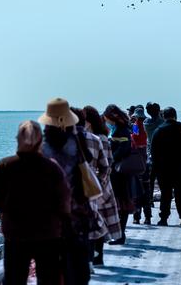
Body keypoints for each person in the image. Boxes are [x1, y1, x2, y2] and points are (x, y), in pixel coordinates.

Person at [0, 120, 71, 285]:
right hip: (48, 232)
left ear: (18, 139)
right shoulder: (52, 168)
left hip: (15, 232)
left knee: (14, 278)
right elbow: (64, 201)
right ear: (40, 141)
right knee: (49, 279)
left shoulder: (5, 166)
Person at [40, 98, 94, 285]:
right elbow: (88, 159)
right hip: (76, 208)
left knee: (50, 263)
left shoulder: (42, 146)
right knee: (78, 259)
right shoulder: (76, 140)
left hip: (49, 212)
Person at [83, 105, 121, 266]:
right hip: (99, 185)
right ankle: (95, 257)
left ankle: (96, 256)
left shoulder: (97, 139)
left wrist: (98, 182)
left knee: (98, 222)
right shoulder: (98, 138)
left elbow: (107, 163)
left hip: (98, 185)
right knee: (97, 221)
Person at [71, 107, 108, 271]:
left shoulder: (60, 140)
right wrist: (99, 182)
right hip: (90, 187)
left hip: (68, 190)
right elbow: (105, 166)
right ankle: (93, 259)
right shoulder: (94, 139)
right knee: (92, 222)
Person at [151, 107, 181, 226]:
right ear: (175, 115)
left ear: (163, 116)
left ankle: (163, 218)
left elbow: (153, 151)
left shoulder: (159, 130)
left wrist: (155, 168)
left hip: (163, 168)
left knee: (165, 194)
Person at [103, 104, 134, 245]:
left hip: (119, 171)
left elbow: (124, 148)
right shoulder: (120, 128)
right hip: (117, 170)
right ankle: (119, 234)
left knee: (120, 203)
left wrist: (111, 159)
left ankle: (120, 235)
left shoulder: (121, 130)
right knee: (120, 203)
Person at [131, 107, 152, 225]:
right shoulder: (146, 125)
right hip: (145, 159)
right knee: (147, 189)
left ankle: (136, 217)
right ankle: (148, 217)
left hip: (136, 160)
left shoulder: (135, 125)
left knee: (136, 191)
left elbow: (134, 138)